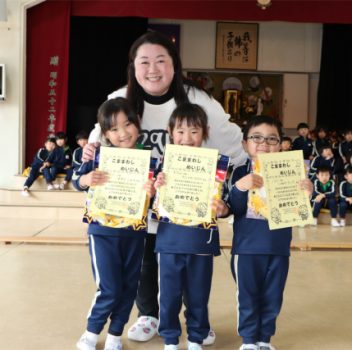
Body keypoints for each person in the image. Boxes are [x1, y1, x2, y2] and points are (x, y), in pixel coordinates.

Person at [84, 30, 247, 345]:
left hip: (185, 204)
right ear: (134, 67)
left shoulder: (199, 100)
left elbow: (233, 142)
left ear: (174, 65)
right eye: (144, 62)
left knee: (189, 265)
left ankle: (196, 319)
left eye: (161, 60)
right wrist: (90, 151)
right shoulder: (120, 98)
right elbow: (99, 136)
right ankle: (149, 315)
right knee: (143, 262)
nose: (153, 69)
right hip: (134, 202)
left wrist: (256, 167)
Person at [73, 97, 156, 350]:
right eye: (114, 128)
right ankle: (91, 332)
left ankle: (115, 335)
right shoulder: (97, 155)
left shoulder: (149, 158)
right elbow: (77, 181)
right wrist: (87, 178)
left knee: (129, 286)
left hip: (135, 232)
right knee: (109, 287)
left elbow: (154, 201)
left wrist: (152, 192)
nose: (123, 133)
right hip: (103, 232)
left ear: (137, 124)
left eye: (128, 124)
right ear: (106, 132)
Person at [226, 115, 313, 350]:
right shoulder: (239, 172)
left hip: (279, 246)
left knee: (273, 296)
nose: (264, 143)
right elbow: (234, 209)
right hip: (247, 248)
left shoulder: (291, 172)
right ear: (245, 144)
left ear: (281, 144)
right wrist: (239, 188)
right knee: (248, 297)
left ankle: (264, 339)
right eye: (256, 137)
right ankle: (249, 341)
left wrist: (307, 191)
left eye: (271, 139)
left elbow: (299, 208)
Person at [154, 103, 229, 350]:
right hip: (169, 241)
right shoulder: (160, 165)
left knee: (198, 295)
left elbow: (225, 203)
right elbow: (150, 206)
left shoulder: (215, 166)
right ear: (170, 132)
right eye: (181, 131)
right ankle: (170, 340)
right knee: (169, 295)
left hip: (201, 243)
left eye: (194, 131)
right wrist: (157, 187)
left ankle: (196, 338)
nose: (187, 138)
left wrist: (222, 208)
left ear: (205, 132)